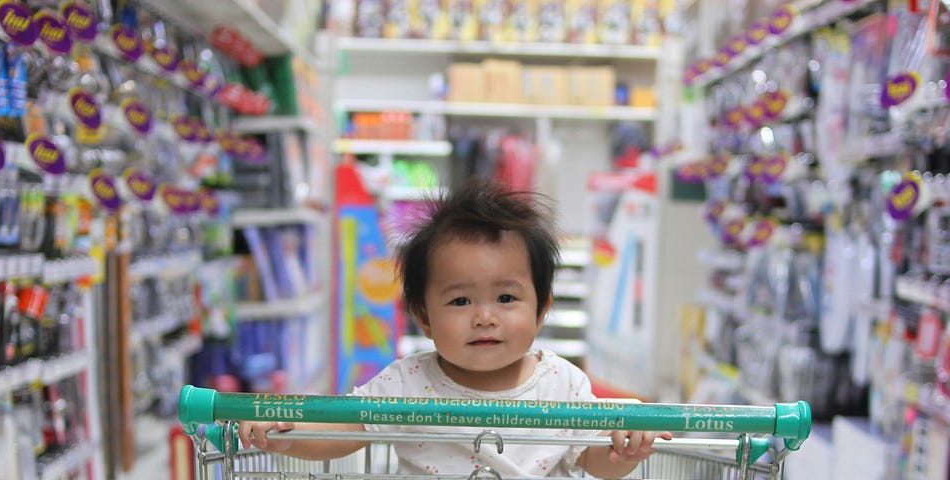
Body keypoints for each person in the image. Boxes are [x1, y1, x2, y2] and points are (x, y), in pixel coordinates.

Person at [236, 181, 670, 478]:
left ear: (541, 312)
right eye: (460, 301)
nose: (484, 317)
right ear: (423, 317)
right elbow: (345, 430)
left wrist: (624, 451)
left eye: (506, 298)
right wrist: (289, 431)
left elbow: (594, 459)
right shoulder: (408, 383)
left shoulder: (563, 384)